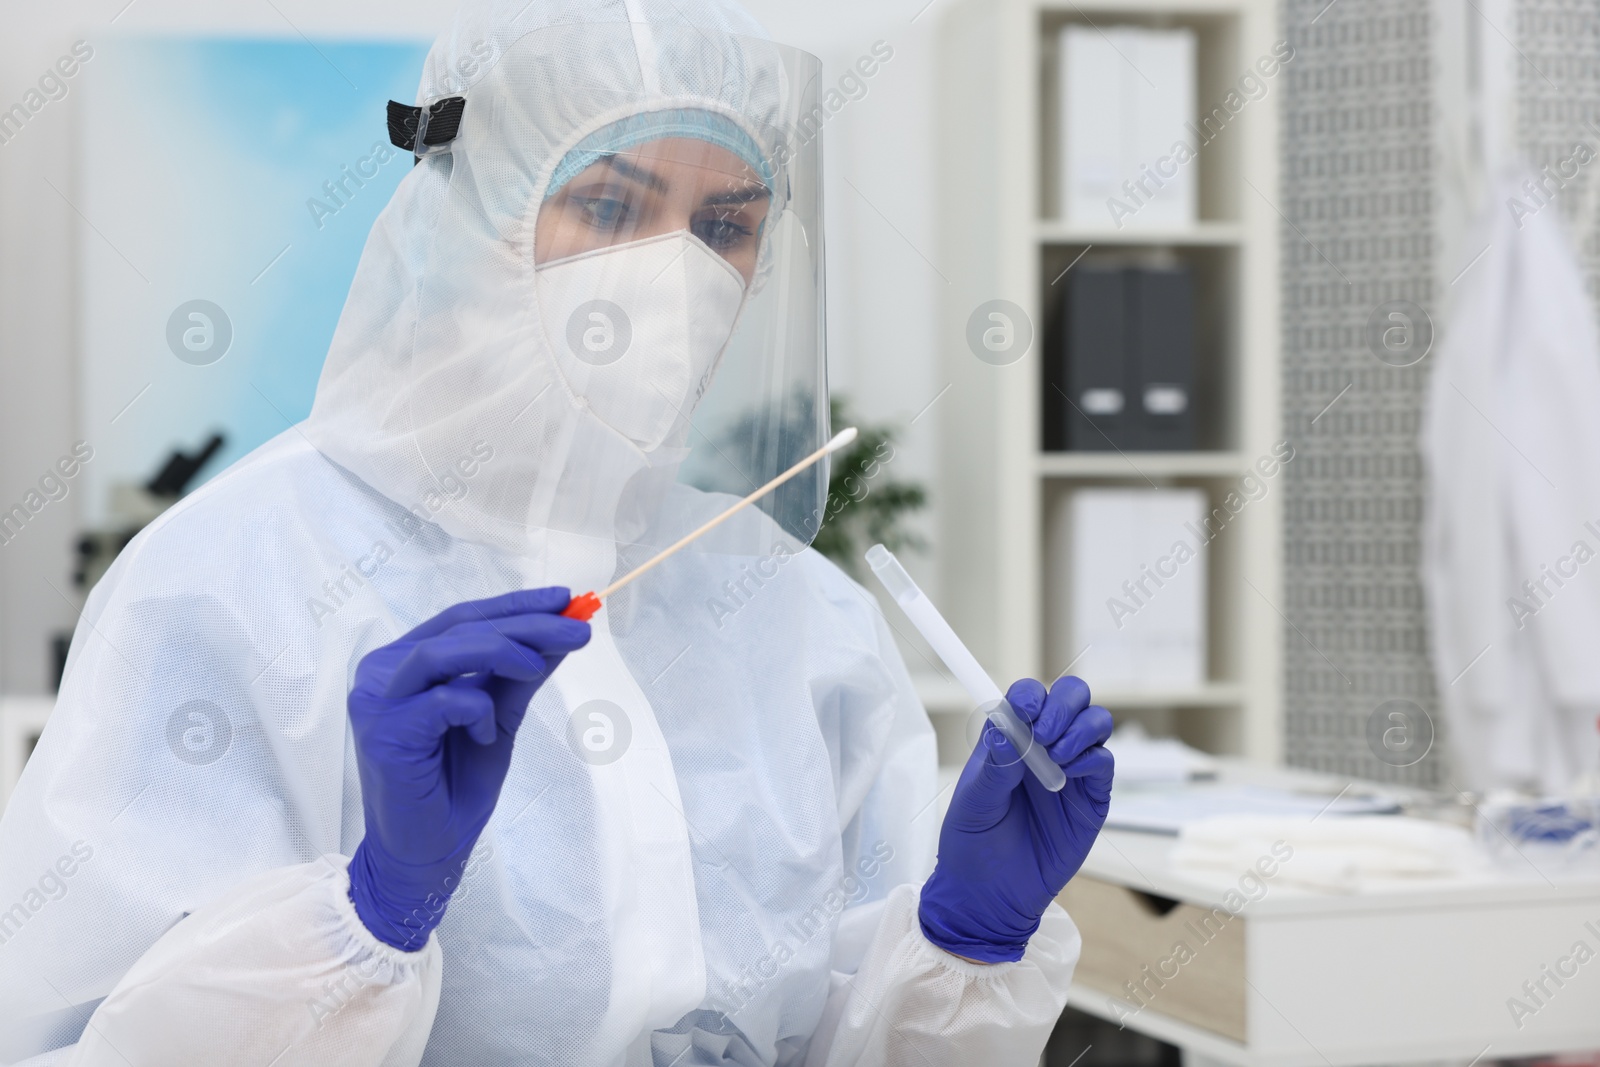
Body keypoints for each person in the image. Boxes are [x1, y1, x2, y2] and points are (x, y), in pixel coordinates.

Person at [0, 0, 1114, 1063]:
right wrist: (367, 917)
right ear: (470, 209)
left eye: (724, 225)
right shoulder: (226, 580)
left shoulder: (796, 613)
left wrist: (959, 946)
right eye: (612, 205)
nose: (677, 278)